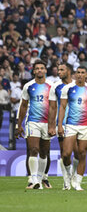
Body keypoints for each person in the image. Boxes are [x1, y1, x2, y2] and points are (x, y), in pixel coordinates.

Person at [16, 60, 54, 189]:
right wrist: (18, 125)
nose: (39, 70)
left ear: (45, 70)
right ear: (34, 71)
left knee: (44, 152)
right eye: (37, 68)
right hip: (32, 121)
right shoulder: (28, 86)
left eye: (42, 68)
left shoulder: (51, 86)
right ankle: (33, 180)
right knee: (33, 149)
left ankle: (41, 177)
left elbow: (55, 106)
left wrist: (53, 125)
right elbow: (23, 106)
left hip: (47, 123)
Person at [58, 66, 87, 191]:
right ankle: (68, 176)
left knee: (82, 154)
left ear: (86, 75)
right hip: (71, 125)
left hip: (85, 126)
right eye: (78, 72)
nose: (80, 75)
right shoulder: (67, 88)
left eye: (82, 73)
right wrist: (59, 125)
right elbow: (62, 107)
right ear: (75, 74)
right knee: (66, 153)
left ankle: (78, 183)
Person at [48, 63, 79, 190]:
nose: (58, 72)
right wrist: (52, 126)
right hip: (63, 124)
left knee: (78, 153)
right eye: (58, 70)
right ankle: (66, 179)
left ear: (69, 71)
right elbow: (53, 107)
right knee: (65, 154)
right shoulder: (56, 87)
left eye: (62, 70)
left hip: (79, 123)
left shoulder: (79, 85)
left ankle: (73, 175)